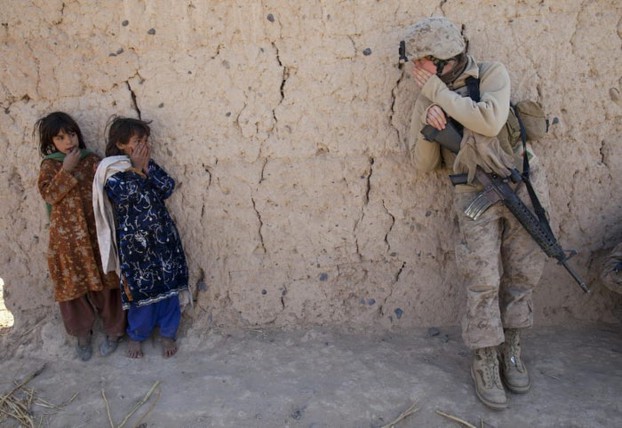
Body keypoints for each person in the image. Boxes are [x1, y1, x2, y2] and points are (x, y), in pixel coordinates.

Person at [404, 17, 550, 409]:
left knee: (523, 272)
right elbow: (423, 165)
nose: (415, 68)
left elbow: (490, 119)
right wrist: (426, 123)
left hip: (519, 182)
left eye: (422, 60)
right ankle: (485, 357)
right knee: (482, 278)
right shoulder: (427, 97)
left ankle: (512, 349)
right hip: (472, 193)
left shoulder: (491, 74)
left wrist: (438, 94)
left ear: (443, 59)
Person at [93, 116, 189, 359]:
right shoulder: (111, 170)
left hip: (161, 238)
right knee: (140, 291)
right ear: (121, 144)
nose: (145, 144)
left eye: (146, 139)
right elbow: (125, 196)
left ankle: (168, 332)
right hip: (135, 246)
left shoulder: (148, 164)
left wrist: (145, 168)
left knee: (168, 286)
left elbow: (167, 187)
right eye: (138, 140)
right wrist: (136, 169)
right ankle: (137, 335)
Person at [36, 111, 126, 361]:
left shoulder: (92, 160)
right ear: (50, 143)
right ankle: (82, 335)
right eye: (60, 138)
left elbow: (110, 187)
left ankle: (114, 331)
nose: (68, 142)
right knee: (72, 287)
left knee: (107, 280)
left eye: (71, 134)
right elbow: (50, 196)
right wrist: (66, 171)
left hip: (96, 233)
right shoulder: (51, 166)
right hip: (67, 240)